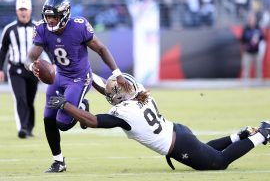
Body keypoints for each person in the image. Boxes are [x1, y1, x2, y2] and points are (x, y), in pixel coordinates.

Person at [48, 73, 270, 171]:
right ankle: (239, 135)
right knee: (206, 150)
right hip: (179, 132)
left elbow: (93, 120)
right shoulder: (141, 93)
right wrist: (89, 78)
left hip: (177, 144)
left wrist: (65, 105)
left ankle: (263, 133)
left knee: (219, 162)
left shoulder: (124, 113)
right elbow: (110, 91)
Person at [24, 0, 131, 173]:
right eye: (48, 16)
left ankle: (82, 104)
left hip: (79, 78)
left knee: (63, 124)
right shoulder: (42, 29)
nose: (50, 20)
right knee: (48, 118)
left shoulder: (79, 26)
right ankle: (58, 161)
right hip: (58, 75)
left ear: (64, 15)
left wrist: (117, 73)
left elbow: (101, 49)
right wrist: (31, 67)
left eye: (54, 16)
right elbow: (30, 57)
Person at [0, 0, 39, 139]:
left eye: (25, 9)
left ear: (30, 10)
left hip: (33, 69)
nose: (23, 12)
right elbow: (3, 50)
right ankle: (22, 128)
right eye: (21, 10)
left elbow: (47, 46)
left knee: (30, 99)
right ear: (17, 11)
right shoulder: (9, 29)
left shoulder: (37, 28)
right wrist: (0, 69)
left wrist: (53, 62)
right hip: (15, 69)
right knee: (21, 98)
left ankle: (29, 127)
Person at [241, 12, 265, 80]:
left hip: (257, 53)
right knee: (246, 72)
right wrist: (248, 42)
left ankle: (258, 88)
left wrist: (258, 38)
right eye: (250, 19)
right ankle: (245, 88)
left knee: (258, 72)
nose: (251, 21)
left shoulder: (258, 28)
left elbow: (262, 39)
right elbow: (242, 39)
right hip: (248, 53)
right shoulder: (246, 28)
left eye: (252, 19)